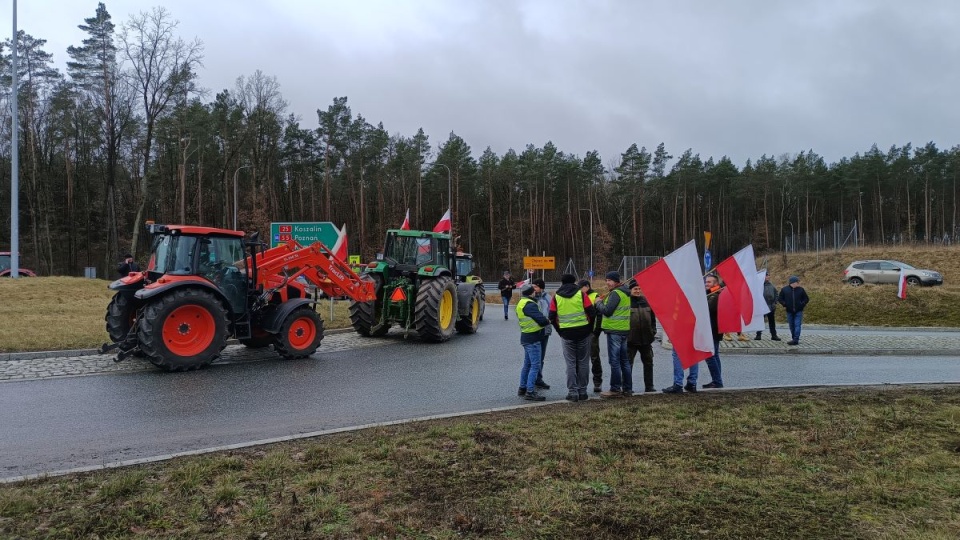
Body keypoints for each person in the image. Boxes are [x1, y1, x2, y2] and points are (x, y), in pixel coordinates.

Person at [549, 273, 596, 402]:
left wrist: (560, 332)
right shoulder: (581, 294)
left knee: (570, 363)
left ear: (562, 282)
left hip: (567, 334)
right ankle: (583, 391)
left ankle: (572, 392)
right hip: (583, 332)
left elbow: (551, 316)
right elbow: (592, 313)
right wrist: (589, 329)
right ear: (574, 282)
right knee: (583, 362)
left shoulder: (556, 297)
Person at [594, 271, 633, 398]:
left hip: (615, 331)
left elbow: (607, 311)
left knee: (615, 361)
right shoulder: (625, 292)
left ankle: (615, 389)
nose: (607, 283)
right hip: (623, 330)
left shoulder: (616, 293)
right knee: (624, 361)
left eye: (609, 280)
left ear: (616, 281)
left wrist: (598, 303)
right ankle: (627, 388)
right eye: (606, 280)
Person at [516, 284, 550, 401]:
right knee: (535, 365)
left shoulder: (521, 302)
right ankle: (530, 391)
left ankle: (522, 387)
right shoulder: (530, 305)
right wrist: (547, 320)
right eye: (533, 291)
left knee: (527, 365)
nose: (535, 292)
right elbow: (541, 319)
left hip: (526, 337)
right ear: (531, 293)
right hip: (533, 338)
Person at [627, 281, 657, 392]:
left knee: (649, 363)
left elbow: (653, 318)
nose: (638, 291)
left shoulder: (646, 301)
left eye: (639, 289)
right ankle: (627, 387)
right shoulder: (626, 302)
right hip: (631, 340)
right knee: (628, 364)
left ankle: (649, 386)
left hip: (646, 339)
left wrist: (653, 331)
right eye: (635, 289)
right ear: (630, 290)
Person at [578, 279, 604, 393]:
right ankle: (581, 384)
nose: (579, 290)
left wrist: (597, 331)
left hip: (592, 332)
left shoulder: (595, 296)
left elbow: (599, 315)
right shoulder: (579, 296)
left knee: (594, 357)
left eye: (581, 287)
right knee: (580, 359)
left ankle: (597, 382)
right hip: (581, 330)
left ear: (587, 286)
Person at [702, 274, 724, 389]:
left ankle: (717, 381)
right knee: (714, 355)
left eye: (709, 282)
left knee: (710, 355)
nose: (706, 284)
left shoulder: (715, 296)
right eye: (706, 281)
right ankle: (717, 380)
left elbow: (708, 309)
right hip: (714, 329)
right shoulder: (710, 293)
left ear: (715, 284)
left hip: (713, 329)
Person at [532, 278, 552, 391]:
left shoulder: (547, 298)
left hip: (544, 331)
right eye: (533, 286)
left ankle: (538, 379)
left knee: (541, 357)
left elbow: (550, 313)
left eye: (535, 286)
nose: (533, 288)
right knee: (533, 357)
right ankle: (531, 380)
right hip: (533, 331)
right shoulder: (530, 298)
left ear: (541, 287)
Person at [778, 275, 809, 346]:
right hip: (789, 311)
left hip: (799, 310)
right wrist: (784, 304)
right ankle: (794, 338)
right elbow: (780, 298)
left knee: (797, 325)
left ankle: (796, 339)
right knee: (791, 325)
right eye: (797, 282)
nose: (798, 283)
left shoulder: (801, 289)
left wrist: (802, 304)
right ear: (793, 283)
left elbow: (806, 299)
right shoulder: (784, 289)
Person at [756, 274, 781, 341]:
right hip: (762, 306)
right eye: (766, 276)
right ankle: (758, 335)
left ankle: (774, 335)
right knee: (760, 321)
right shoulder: (759, 285)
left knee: (772, 322)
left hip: (771, 306)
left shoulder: (772, 286)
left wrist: (775, 302)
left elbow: (776, 294)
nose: (767, 277)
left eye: (768, 276)